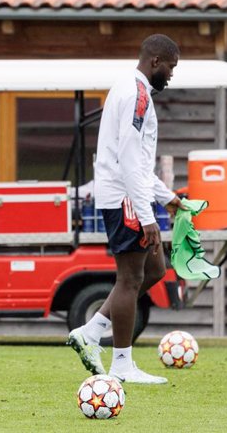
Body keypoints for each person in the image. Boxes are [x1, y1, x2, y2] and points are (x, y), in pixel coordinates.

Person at [68, 34, 184, 384]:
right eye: (170, 67)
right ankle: (121, 364)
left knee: (155, 270)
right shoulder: (137, 94)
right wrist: (148, 217)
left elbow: (139, 161)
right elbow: (131, 158)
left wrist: (167, 197)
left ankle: (90, 332)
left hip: (129, 194)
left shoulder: (130, 88)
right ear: (154, 62)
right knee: (131, 278)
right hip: (125, 199)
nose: (171, 75)